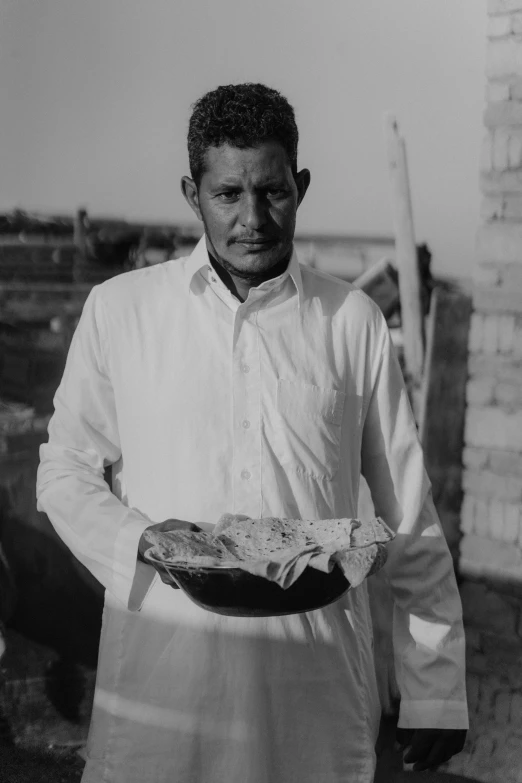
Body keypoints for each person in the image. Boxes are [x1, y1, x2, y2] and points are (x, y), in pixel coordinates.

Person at [36, 83, 468, 783]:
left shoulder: (351, 321)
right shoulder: (121, 312)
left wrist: (437, 687)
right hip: (159, 695)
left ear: (300, 186)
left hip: (313, 700)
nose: (253, 218)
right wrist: (141, 541)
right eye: (228, 194)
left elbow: (408, 517)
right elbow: (63, 470)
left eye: (272, 192)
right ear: (191, 192)